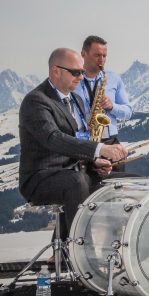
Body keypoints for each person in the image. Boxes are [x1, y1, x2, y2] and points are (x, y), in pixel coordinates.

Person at [19, 48, 128, 241]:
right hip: (41, 177)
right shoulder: (35, 101)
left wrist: (95, 161)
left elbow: (77, 141)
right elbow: (53, 138)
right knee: (77, 182)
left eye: (82, 72)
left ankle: (123, 247)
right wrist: (100, 149)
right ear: (55, 71)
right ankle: (81, 254)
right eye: (75, 72)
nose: (81, 77)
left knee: (128, 182)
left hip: (75, 172)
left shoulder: (75, 100)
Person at [73, 35, 132, 172]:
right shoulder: (73, 80)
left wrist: (112, 106)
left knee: (116, 188)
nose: (102, 60)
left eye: (105, 56)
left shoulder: (113, 78)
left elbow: (128, 112)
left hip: (110, 142)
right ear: (83, 54)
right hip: (84, 144)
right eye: (97, 55)